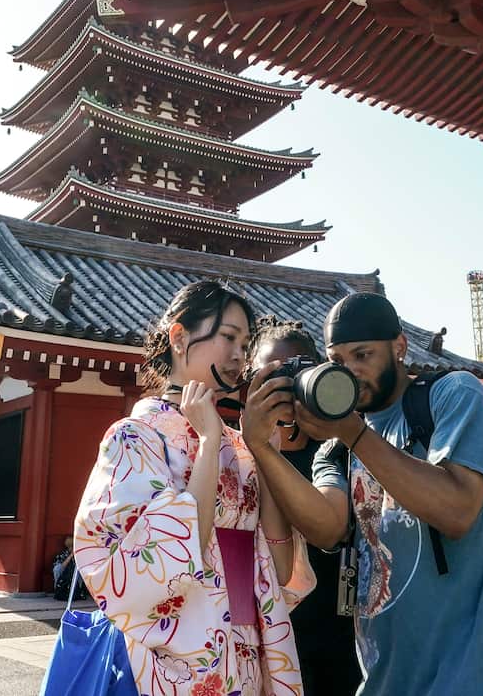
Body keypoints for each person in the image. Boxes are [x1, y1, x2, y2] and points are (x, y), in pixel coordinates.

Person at [240, 291, 483, 695]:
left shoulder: (452, 395)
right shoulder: (336, 448)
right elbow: (328, 528)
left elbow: (457, 510)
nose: (350, 371)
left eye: (363, 355)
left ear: (399, 347)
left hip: (478, 670)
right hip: (389, 678)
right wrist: (261, 447)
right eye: (338, 362)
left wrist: (353, 432)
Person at [73, 281, 313, 696]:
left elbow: (278, 566)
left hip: (249, 645)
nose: (239, 354)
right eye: (228, 337)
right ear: (180, 337)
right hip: (180, 656)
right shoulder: (134, 437)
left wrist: (264, 454)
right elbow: (169, 558)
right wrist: (207, 444)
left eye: (245, 341)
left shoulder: (240, 444)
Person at [247, 316, 361, 696]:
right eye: (270, 375)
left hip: (339, 633)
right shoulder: (236, 452)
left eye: (294, 372)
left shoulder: (341, 450)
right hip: (263, 636)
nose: (282, 386)